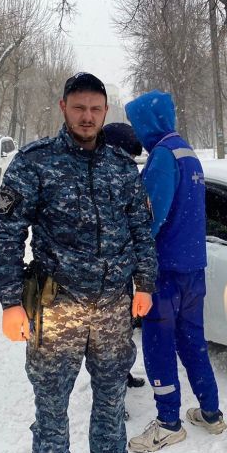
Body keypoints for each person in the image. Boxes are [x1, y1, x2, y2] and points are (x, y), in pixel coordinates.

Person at [0, 72, 157, 453]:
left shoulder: (121, 166)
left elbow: (142, 230)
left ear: (106, 112)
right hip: (56, 307)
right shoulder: (35, 162)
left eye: (96, 109)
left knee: (110, 397)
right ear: (63, 107)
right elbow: (5, 233)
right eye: (79, 107)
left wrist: (144, 283)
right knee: (51, 405)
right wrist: (10, 302)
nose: (87, 116)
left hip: (111, 310)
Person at [124, 89, 226, 453]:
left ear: (149, 122)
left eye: (137, 123)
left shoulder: (163, 157)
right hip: (193, 267)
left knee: (158, 345)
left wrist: (132, 253)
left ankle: (168, 422)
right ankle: (210, 412)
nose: (137, 131)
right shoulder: (188, 153)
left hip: (164, 270)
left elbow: (149, 216)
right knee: (192, 342)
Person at [102, 122, 147, 390]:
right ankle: (114, 393)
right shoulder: (102, 178)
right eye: (127, 155)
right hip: (106, 278)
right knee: (109, 340)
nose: (130, 161)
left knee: (123, 332)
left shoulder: (124, 175)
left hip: (123, 272)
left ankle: (123, 376)